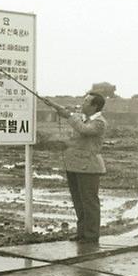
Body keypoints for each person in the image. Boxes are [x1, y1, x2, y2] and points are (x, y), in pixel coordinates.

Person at [47, 92, 107, 243]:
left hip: (89, 166)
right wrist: (58, 108)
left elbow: (84, 130)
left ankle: (91, 235)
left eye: (86, 102)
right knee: (78, 201)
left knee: (89, 202)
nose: (83, 103)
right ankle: (82, 233)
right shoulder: (82, 118)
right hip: (75, 164)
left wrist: (69, 116)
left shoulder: (99, 122)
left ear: (95, 106)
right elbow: (77, 122)